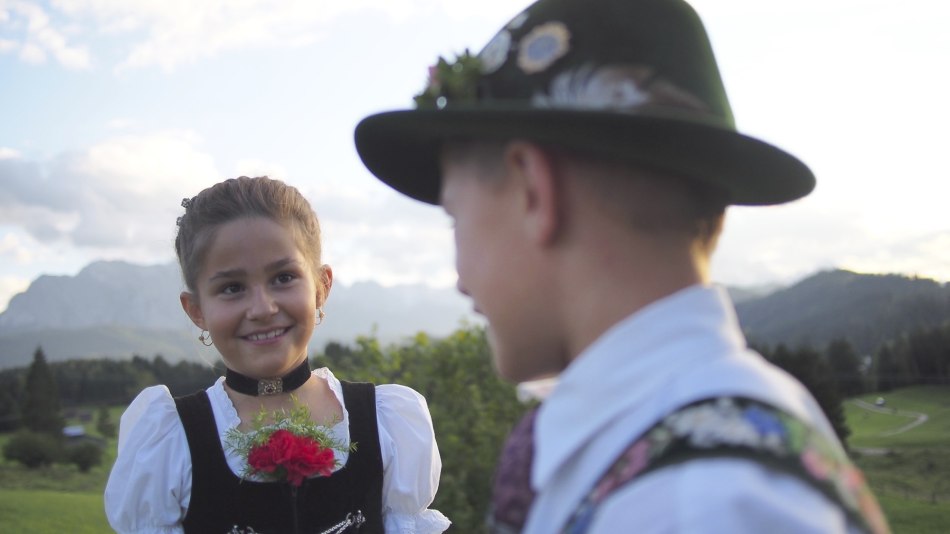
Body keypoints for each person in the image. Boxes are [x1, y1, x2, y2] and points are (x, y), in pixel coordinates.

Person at [353, 0, 890, 532]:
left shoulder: (696, 506)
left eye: (456, 220)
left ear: (532, 192)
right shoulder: (736, 423)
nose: (460, 279)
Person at [104, 176, 451, 534]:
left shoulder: (385, 422)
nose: (263, 308)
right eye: (232, 288)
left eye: (284, 278)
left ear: (321, 286)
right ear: (196, 310)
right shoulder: (171, 440)